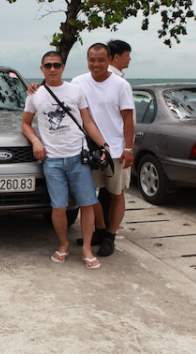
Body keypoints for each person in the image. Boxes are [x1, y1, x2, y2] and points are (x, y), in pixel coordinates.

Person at [22, 51, 109, 269]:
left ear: (63, 67)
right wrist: (35, 141)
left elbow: (87, 122)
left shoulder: (75, 90)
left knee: (88, 203)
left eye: (57, 65)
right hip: (51, 160)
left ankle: (87, 248)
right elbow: (25, 124)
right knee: (59, 206)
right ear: (41, 68)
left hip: (78, 157)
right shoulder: (35, 94)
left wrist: (103, 144)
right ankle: (63, 244)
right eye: (48, 65)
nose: (52, 69)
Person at [71, 43, 134, 257]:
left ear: (109, 60)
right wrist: (34, 88)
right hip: (89, 150)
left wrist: (128, 148)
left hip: (116, 150)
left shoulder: (120, 85)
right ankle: (99, 230)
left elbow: (128, 119)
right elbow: (60, 96)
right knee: (89, 195)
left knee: (116, 194)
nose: (96, 64)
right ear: (87, 60)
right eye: (91, 60)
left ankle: (110, 235)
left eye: (100, 60)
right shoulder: (78, 82)